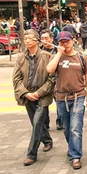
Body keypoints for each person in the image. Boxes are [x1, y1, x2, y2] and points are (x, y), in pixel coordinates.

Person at [46, 31, 87, 170]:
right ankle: (72, 147)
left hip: (78, 95)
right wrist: (59, 53)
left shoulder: (82, 57)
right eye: (61, 41)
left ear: (73, 40)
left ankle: (76, 156)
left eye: (67, 41)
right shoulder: (56, 57)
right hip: (61, 97)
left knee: (75, 128)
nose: (64, 44)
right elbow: (49, 69)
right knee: (67, 128)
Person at [12, 30, 55, 166]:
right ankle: (47, 140)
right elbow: (16, 78)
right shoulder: (21, 57)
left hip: (42, 96)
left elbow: (52, 79)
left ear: (37, 41)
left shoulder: (48, 57)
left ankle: (31, 154)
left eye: (30, 38)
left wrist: (39, 93)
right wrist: (25, 93)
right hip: (27, 95)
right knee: (35, 123)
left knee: (37, 123)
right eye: (25, 38)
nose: (27, 41)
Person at [40, 29, 63, 131]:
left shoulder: (58, 50)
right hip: (44, 82)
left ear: (52, 39)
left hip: (57, 81)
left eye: (46, 38)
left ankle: (60, 122)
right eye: (42, 38)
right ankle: (45, 124)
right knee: (44, 104)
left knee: (59, 103)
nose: (44, 40)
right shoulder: (39, 51)